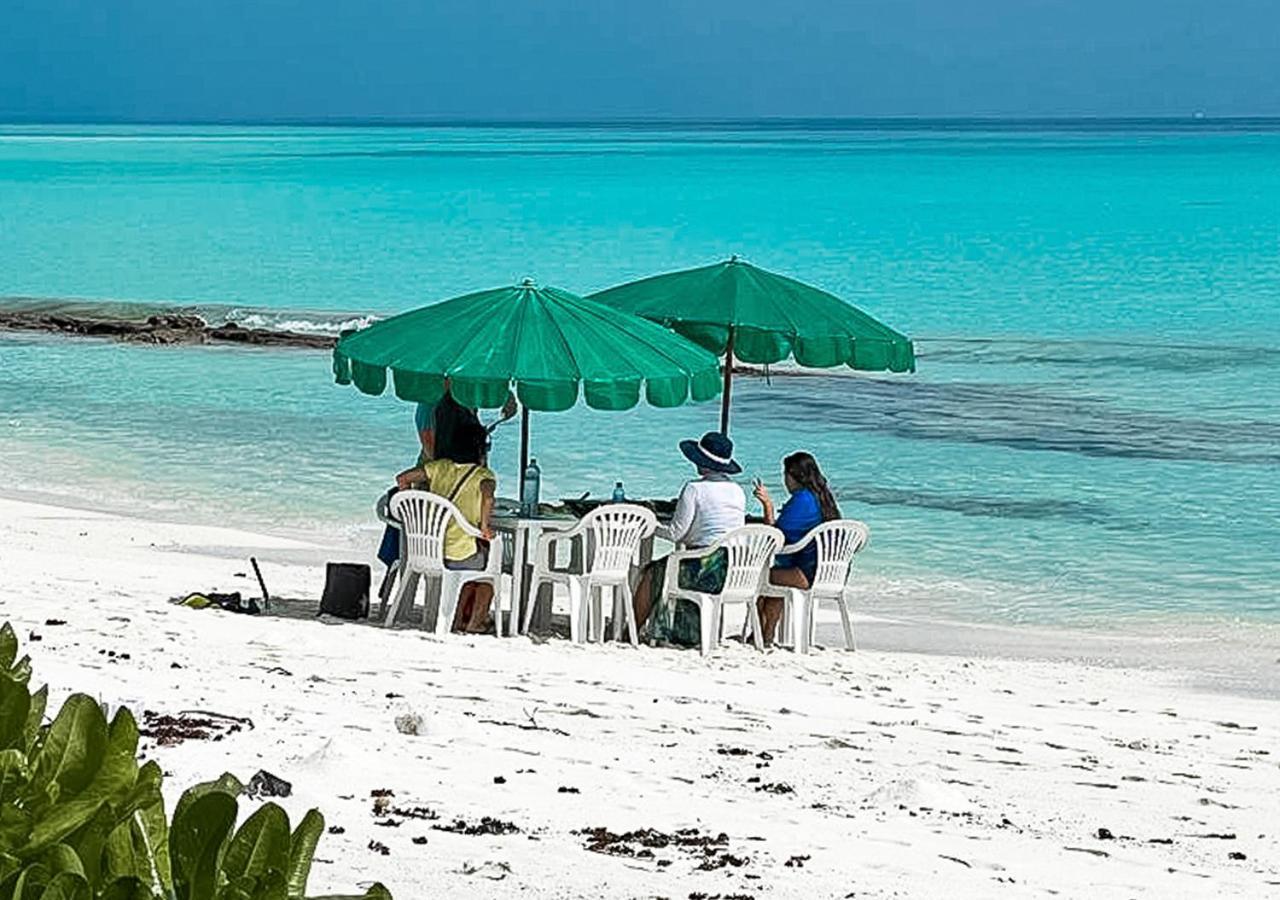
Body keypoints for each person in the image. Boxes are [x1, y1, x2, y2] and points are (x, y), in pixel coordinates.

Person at [633, 432, 746, 646]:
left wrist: (650, 525)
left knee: (651, 573)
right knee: (669, 564)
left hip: (702, 565)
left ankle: (630, 630)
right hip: (731, 566)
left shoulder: (694, 488)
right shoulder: (738, 491)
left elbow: (676, 533)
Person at [399, 419, 498, 633]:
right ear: (480, 449)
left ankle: (457, 619)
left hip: (430, 550)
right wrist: (485, 526)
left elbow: (403, 478)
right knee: (491, 571)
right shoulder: (483, 475)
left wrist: (411, 508)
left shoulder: (438, 467)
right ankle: (476, 622)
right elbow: (488, 497)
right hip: (460, 554)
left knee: (476, 564)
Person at [753, 451, 841, 645]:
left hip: (805, 574)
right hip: (829, 574)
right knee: (776, 578)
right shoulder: (823, 498)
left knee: (757, 577)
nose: (785, 481)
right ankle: (766, 635)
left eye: (786, 475)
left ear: (794, 476)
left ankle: (760, 634)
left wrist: (767, 504)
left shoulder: (802, 499)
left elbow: (775, 537)